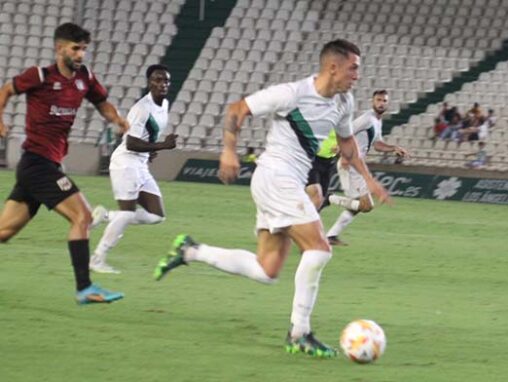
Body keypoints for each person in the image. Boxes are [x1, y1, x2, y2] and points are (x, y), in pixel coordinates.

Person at [153, 40, 390, 357]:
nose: (357, 75)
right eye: (354, 68)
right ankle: (299, 333)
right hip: (277, 177)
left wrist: (369, 180)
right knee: (319, 249)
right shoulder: (292, 94)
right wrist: (228, 152)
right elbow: (237, 109)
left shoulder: (344, 102)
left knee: (267, 270)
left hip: (283, 182)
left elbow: (348, 144)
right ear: (333, 67)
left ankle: (191, 251)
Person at [0, 23, 126, 304]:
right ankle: (85, 288)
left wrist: (117, 119)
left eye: (83, 49)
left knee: (4, 232)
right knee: (83, 216)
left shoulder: (85, 78)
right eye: (75, 48)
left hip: (45, 166)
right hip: (37, 163)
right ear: (59, 48)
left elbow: (102, 103)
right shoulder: (40, 75)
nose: (81, 54)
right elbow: (5, 90)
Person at [88, 64, 178, 273]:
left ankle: (106, 216)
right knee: (127, 214)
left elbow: (147, 138)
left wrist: (151, 150)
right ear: (149, 82)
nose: (162, 84)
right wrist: (162, 145)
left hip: (140, 163)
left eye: (166, 80)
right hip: (126, 163)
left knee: (157, 215)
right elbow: (131, 143)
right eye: (157, 79)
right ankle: (97, 258)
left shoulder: (163, 104)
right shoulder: (141, 109)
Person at [326, 90, 409, 245]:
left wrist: (393, 148)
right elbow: (347, 131)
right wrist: (341, 150)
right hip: (350, 164)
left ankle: (331, 235)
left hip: (356, 165)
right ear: (372, 101)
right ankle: (329, 198)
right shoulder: (367, 119)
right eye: (378, 100)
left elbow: (377, 144)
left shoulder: (377, 121)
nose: (381, 103)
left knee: (358, 206)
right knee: (366, 205)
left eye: (384, 100)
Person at [305, 129, 338, 211]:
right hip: (313, 160)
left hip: (329, 162)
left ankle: (309, 220)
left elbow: (347, 137)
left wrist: (340, 146)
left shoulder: (342, 121)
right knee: (315, 193)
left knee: (320, 200)